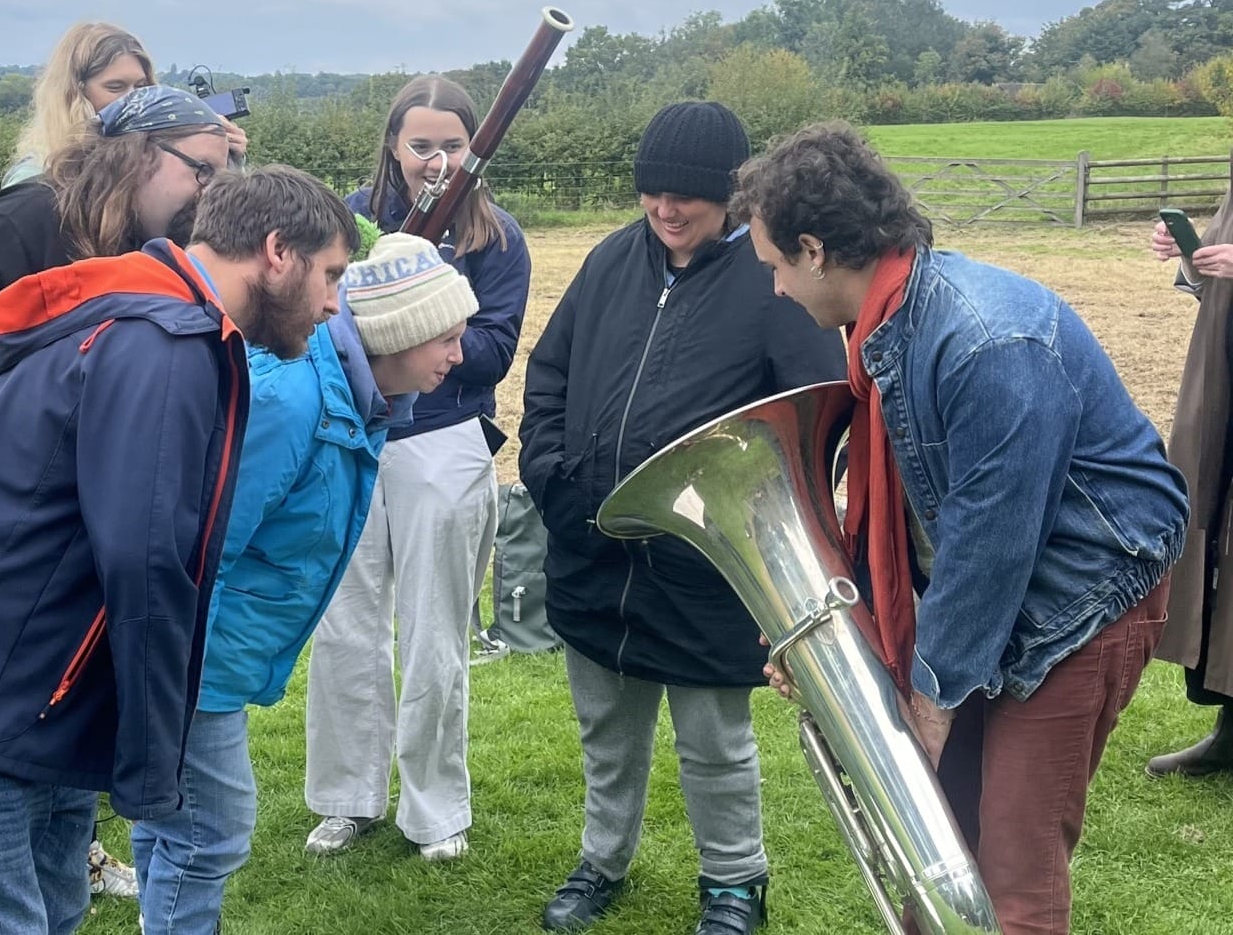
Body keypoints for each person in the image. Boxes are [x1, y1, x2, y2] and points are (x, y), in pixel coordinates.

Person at [0, 164, 346, 935]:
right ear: (277, 250)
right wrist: (157, 764)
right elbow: (148, 563)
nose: (332, 304)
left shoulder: (149, 319)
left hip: (31, 699)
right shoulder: (157, 343)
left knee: (54, 919)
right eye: (331, 275)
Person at [740, 122, 1188, 935]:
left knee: (1011, 873)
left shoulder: (987, 340)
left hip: (1075, 608)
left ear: (812, 249)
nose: (774, 288)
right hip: (986, 594)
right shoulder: (885, 328)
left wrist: (930, 699)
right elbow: (919, 521)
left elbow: (990, 544)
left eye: (773, 266)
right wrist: (836, 647)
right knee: (934, 844)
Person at [518, 101, 847, 935]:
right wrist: (553, 479)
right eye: (652, 193)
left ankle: (735, 883)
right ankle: (602, 861)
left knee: (714, 742)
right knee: (606, 733)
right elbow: (549, 376)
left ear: (732, 197)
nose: (666, 211)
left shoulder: (772, 283)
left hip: (703, 564)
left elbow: (817, 420)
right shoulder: (609, 262)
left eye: (687, 197)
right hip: (591, 547)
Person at [133, 231, 480, 933]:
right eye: (445, 337)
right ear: (397, 334)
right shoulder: (295, 403)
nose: (461, 355)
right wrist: (174, 668)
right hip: (198, 658)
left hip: (211, 657)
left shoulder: (358, 395)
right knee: (214, 831)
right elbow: (202, 546)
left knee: (176, 821)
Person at [303, 75, 531, 862]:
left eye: (453, 144)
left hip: (443, 439)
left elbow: (493, 354)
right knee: (345, 625)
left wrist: (423, 304)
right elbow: (322, 327)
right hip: (352, 436)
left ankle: (435, 812)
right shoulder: (352, 221)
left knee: (435, 634)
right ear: (394, 146)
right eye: (421, 143)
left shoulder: (497, 237)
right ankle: (345, 797)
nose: (436, 159)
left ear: (475, 148)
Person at [0, 83, 231, 463]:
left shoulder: (153, 246)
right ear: (141, 155)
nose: (210, 193)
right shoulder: (13, 226)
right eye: (203, 171)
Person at [1146, 189, 1233, 776]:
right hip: (1222, 376)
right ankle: (1230, 728)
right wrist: (1188, 255)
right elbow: (1211, 282)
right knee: (1215, 530)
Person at [3, 20, 246, 188]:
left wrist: (224, 164)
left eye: (141, 87)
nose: (132, 98)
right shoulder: (35, 177)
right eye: (115, 87)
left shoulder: (156, 162)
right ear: (75, 93)